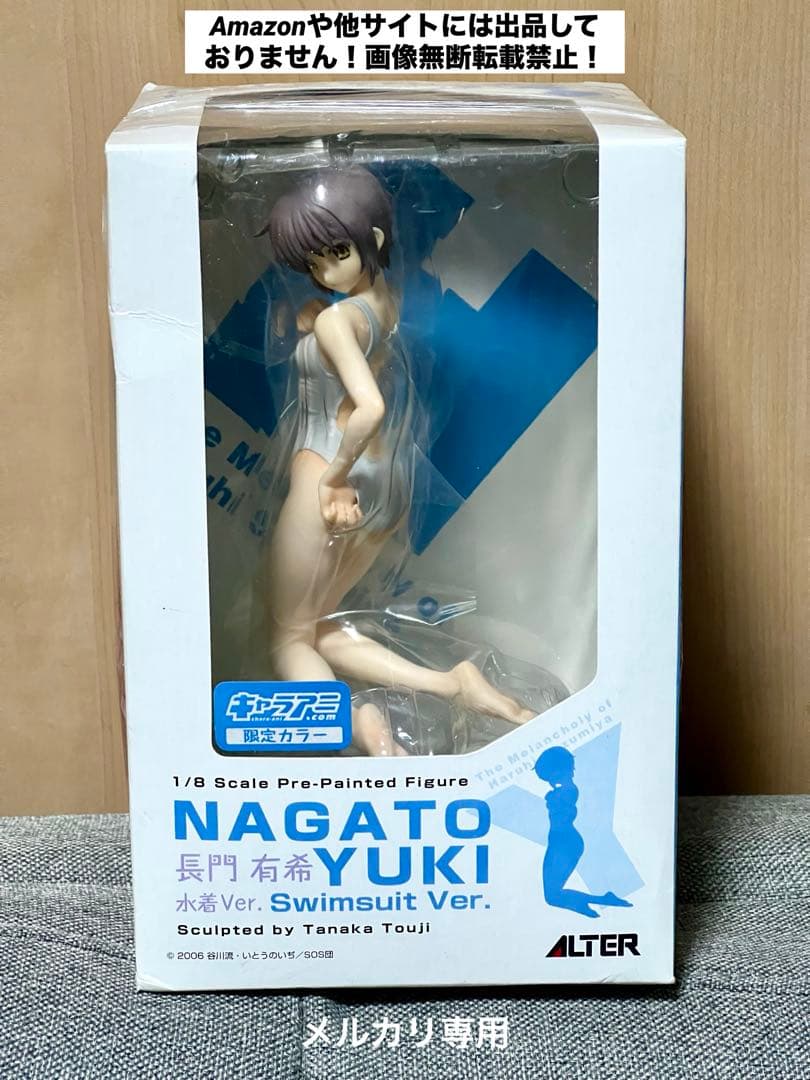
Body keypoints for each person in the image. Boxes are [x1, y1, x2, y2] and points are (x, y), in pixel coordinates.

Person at [259, 166, 533, 756]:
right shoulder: (384, 300)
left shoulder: (337, 319)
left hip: (328, 476)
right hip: (385, 485)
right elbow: (358, 340)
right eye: (313, 260)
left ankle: (359, 728)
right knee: (319, 628)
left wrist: (332, 480)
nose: (324, 270)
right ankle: (453, 684)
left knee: (286, 640)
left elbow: (370, 406)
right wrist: (315, 321)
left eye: (336, 252)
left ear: (374, 240)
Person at [534, 746, 632, 917]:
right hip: (559, 841)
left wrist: (552, 793)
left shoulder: (569, 790)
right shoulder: (561, 790)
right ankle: (597, 900)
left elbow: (560, 806)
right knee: (552, 895)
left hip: (565, 842)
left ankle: (590, 903)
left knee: (552, 896)